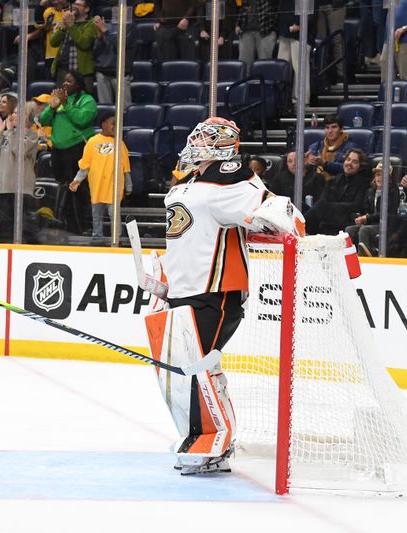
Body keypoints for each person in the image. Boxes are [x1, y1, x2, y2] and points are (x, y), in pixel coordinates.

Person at [149, 116, 303, 475]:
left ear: (221, 146)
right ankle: (203, 436)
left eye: (203, 139)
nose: (195, 143)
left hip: (215, 294)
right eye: (196, 136)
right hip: (184, 293)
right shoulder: (189, 184)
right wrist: (164, 278)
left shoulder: (229, 181)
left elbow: (279, 213)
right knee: (181, 369)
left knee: (196, 367)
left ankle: (215, 442)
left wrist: (274, 217)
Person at [39, 70, 96, 233]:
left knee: (77, 188)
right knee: (62, 188)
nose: (64, 84)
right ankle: (62, 221)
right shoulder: (59, 100)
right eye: (63, 81)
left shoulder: (87, 100)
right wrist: (52, 106)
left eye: (69, 81)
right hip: (58, 151)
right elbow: (44, 120)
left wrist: (67, 104)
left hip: (77, 149)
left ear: (78, 84)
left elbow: (82, 120)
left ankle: (80, 226)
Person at [69, 111, 131, 242]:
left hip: (114, 187)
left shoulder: (120, 143)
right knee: (96, 214)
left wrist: (128, 185)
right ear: (103, 124)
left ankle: (117, 237)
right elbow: (85, 165)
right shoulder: (92, 142)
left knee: (114, 214)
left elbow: (126, 167)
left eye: (117, 124)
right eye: (112, 123)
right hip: (97, 186)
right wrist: (77, 180)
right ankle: (97, 236)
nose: (115, 126)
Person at [0, 103, 40, 242]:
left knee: (23, 227)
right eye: (14, 112)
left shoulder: (32, 135)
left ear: (27, 117)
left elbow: (19, 151)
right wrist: (0, 131)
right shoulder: (7, 133)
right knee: (6, 226)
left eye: (18, 113)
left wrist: (10, 132)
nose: (13, 116)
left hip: (22, 188)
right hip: (4, 186)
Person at [304, 148, 371, 235]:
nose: (349, 163)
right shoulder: (338, 178)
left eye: (354, 162)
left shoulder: (364, 182)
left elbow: (357, 205)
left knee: (320, 208)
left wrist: (330, 207)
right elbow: (325, 197)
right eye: (348, 160)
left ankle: (298, 226)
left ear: (360, 166)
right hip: (332, 216)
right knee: (318, 207)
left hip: (349, 218)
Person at [344, 162, 399, 257]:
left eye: (383, 176)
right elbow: (365, 210)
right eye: (378, 175)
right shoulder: (370, 191)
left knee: (364, 230)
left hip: (385, 225)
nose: (379, 178)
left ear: (389, 179)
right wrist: (359, 217)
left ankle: (364, 256)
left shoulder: (393, 191)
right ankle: (350, 256)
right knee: (349, 229)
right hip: (370, 223)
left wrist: (367, 218)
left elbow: (386, 213)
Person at [50, 0, 96, 93]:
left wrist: (71, 26)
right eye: (74, 4)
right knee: (60, 102)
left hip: (82, 72)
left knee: (83, 101)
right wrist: (64, 27)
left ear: (86, 9)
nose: (74, 6)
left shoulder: (91, 24)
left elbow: (84, 43)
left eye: (78, 5)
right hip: (63, 69)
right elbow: (53, 42)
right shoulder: (67, 22)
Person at [305, 114, 359, 184]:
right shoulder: (315, 146)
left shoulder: (351, 148)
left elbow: (348, 168)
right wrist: (306, 163)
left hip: (341, 184)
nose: (330, 131)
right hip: (318, 184)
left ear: (341, 129)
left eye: (334, 127)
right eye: (327, 128)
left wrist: (324, 164)